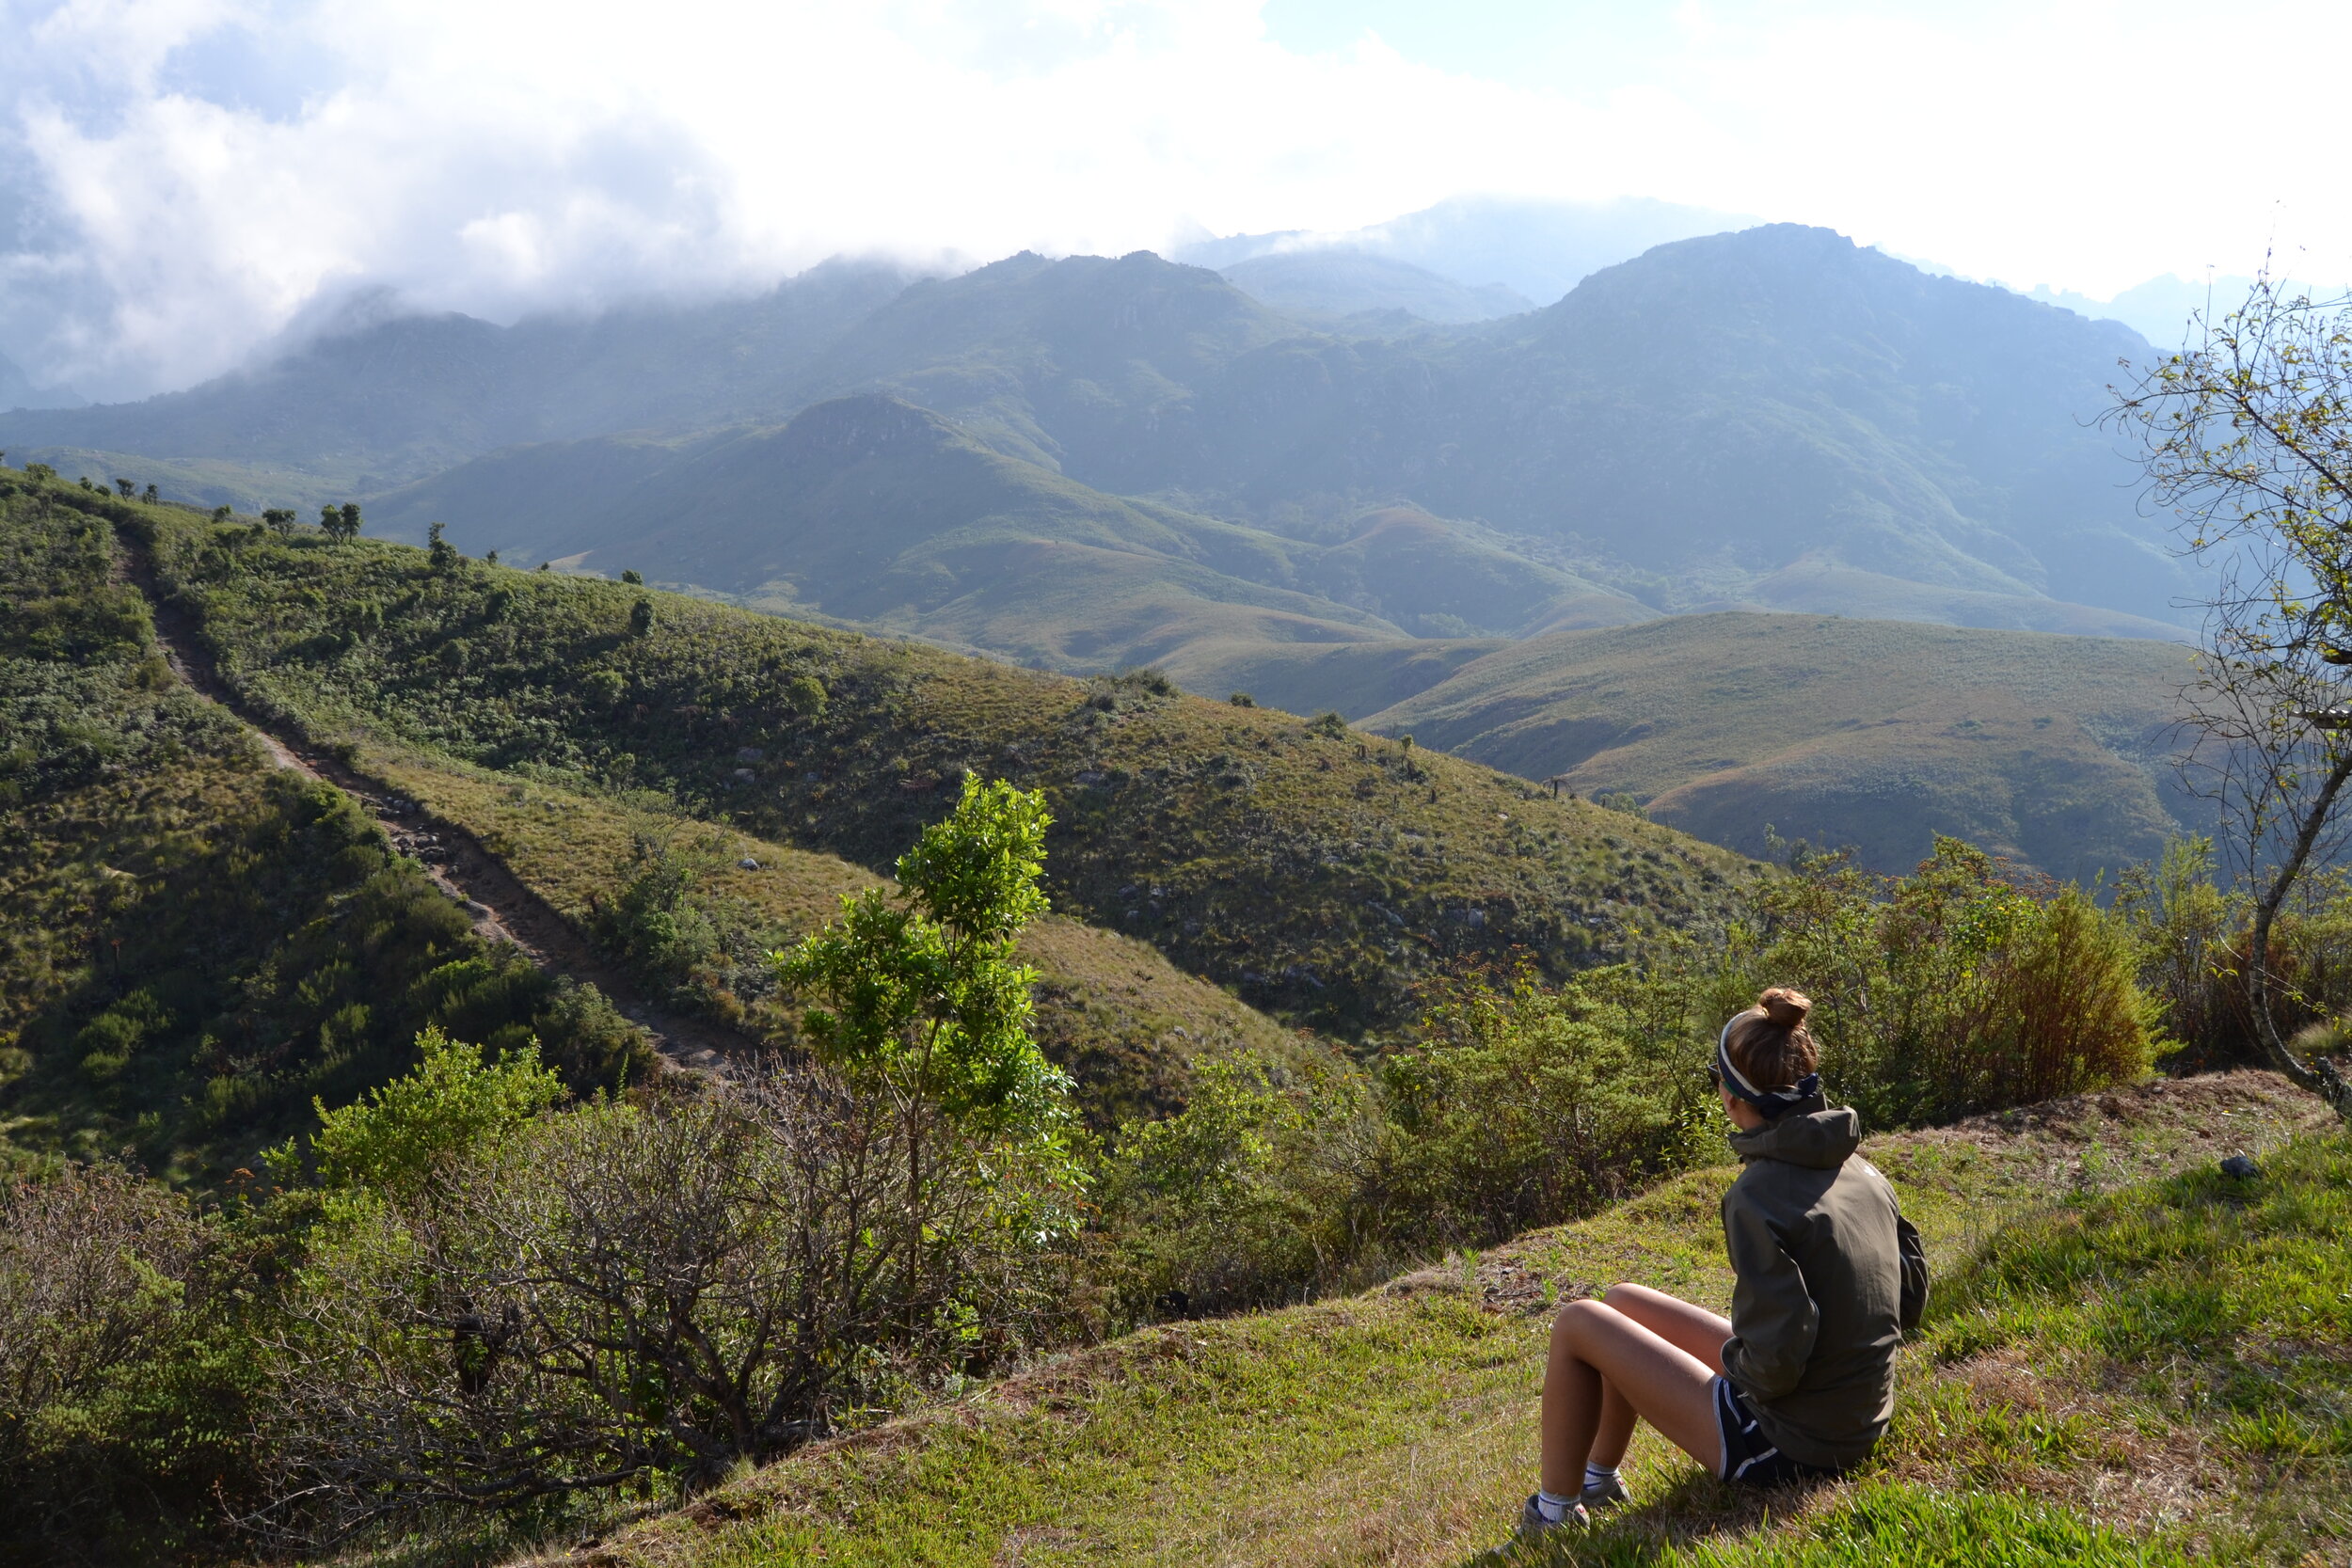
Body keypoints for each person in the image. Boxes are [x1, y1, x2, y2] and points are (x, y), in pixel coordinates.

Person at [1519, 987, 1929, 1533]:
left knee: (1577, 1322)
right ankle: (1597, 1480)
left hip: (1794, 1446)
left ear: (1732, 1099)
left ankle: (1551, 1517)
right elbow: (1911, 1298)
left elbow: (1777, 1362)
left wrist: (1731, 1371)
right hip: (1858, 1416)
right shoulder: (1863, 1172)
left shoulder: (1756, 1197)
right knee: (1620, 1304)